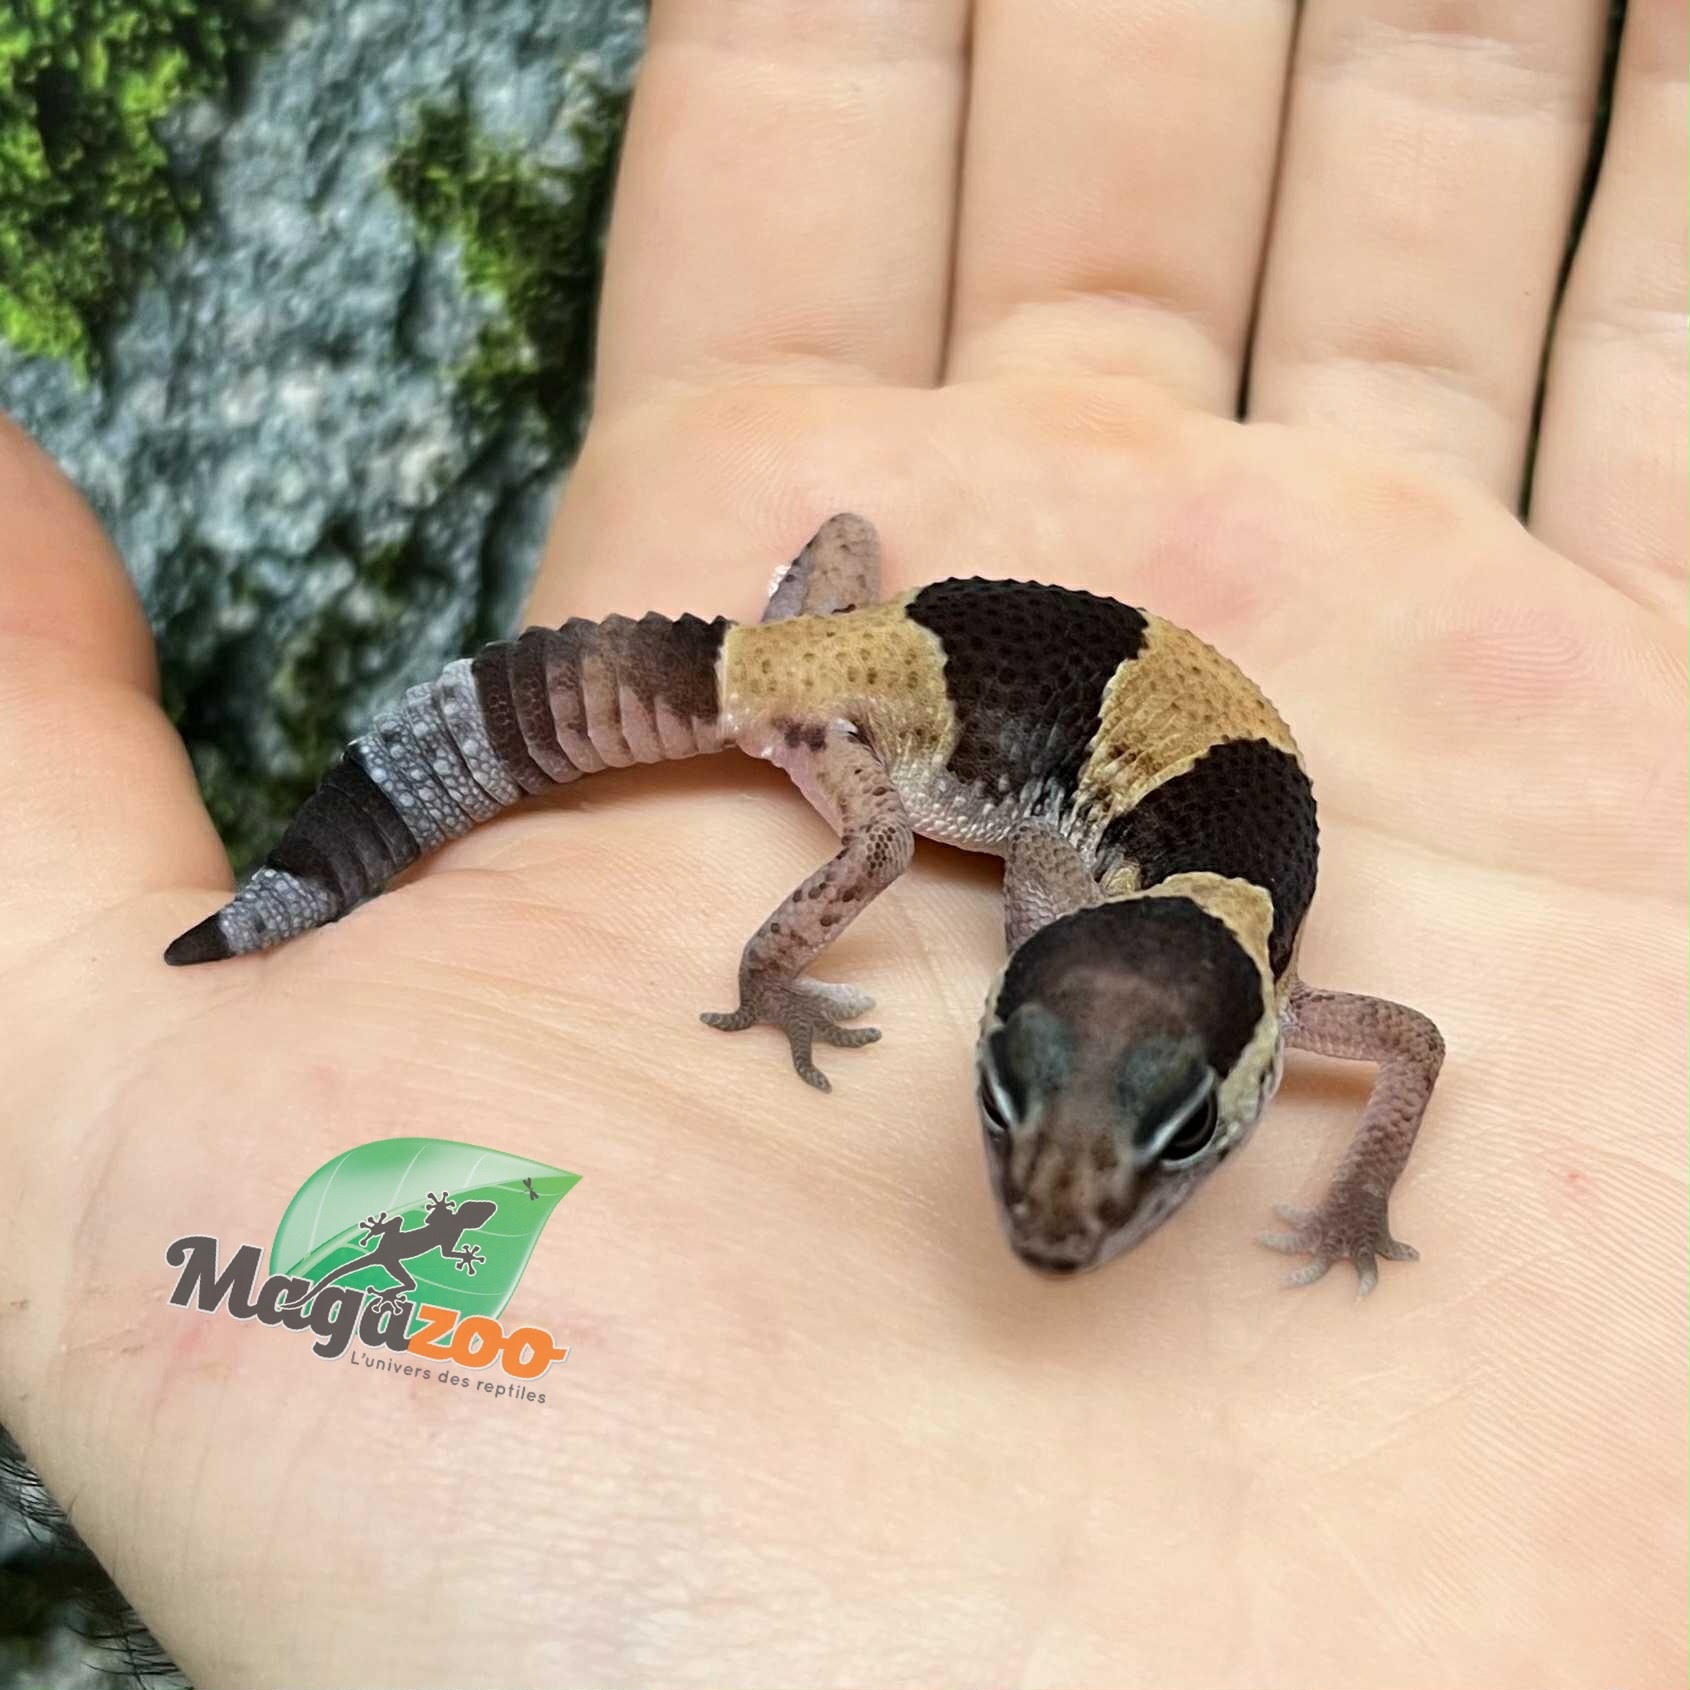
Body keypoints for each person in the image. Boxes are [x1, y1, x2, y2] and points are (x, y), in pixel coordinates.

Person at [0, 3, 1682, 1682]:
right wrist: (794, 939)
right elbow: (1213, 956)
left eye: (1173, 1136)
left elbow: (1389, 1033)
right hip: (858, 715)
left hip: (871, 659)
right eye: (1024, 1101)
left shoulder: (1216, 956)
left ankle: (747, 684)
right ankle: (747, 942)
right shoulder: (1187, 942)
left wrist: (1351, 1195)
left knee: (867, 611)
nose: (1055, 1213)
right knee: (880, 853)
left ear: (1249, 1058)